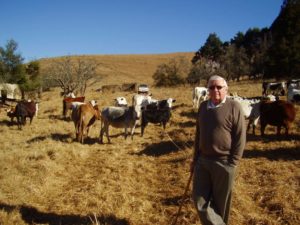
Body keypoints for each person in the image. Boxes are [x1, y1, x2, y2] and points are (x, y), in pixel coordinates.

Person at [190, 75, 246, 225]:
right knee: (199, 200)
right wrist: (194, 159)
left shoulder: (234, 106)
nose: (215, 90)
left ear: (226, 89)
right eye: (211, 87)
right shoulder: (202, 106)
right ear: (207, 90)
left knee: (222, 205)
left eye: (219, 87)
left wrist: (232, 163)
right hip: (203, 161)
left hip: (224, 162)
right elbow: (198, 134)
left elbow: (240, 137)